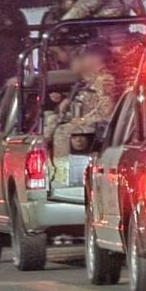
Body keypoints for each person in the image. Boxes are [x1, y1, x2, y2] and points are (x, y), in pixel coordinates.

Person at [50, 43, 117, 187]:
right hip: (85, 119)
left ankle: (63, 172)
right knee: (50, 121)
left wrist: (82, 120)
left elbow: (106, 111)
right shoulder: (90, 79)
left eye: (86, 57)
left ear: (95, 59)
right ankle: (50, 168)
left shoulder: (105, 80)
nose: (83, 60)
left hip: (99, 125)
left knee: (62, 132)